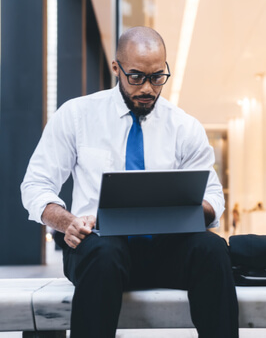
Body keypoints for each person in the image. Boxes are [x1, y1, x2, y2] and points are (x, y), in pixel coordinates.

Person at [21, 26, 239, 338]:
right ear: (116, 69)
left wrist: (189, 210)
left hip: (164, 248)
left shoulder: (184, 127)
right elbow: (35, 185)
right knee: (104, 253)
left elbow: (214, 196)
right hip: (98, 249)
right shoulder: (76, 115)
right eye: (136, 76)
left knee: (213, 250)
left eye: (157, 77)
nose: (148, 87)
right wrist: (68, 221)